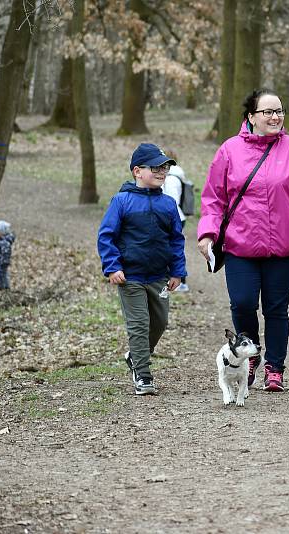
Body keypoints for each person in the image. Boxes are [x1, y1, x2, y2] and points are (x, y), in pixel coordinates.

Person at [197, 89, 289, 392]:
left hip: (284, 246)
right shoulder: (229, 151)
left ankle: (274, 368)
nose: (275, 116)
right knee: (242, 303)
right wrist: (207, 232)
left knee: (276, 308)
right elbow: (214, 198)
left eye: (279, 111)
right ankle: (250, 354)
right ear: (251, 117)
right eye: (267, 112)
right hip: (241, 245)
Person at [97, 143, 187, 396]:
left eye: (165, 167)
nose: (162, 171)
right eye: (156, 167)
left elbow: (176, 240)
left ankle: (135, 357)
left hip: (159, 276)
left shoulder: (168, 204)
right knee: (139, 325)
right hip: (130, 276)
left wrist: (178, 271)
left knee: (159, 322)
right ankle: (143, 376)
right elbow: (106, 236)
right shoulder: (122, 201)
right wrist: (112, 267)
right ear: (137, 171)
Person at [162, 152, 190, 292]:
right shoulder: (178, 175)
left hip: (173, 217)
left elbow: (171, 201)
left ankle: (181, 281)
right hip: (179, 216)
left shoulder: (171, 178)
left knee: (174, 248)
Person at [0, 220, 15, 290]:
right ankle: (2, 286)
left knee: (2, 275)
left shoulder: (5, 243)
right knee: (0, 275)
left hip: (2, 263)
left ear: (2, 232)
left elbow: (6, 254)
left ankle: (4, 288)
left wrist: (3, 263)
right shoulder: (0, 241)